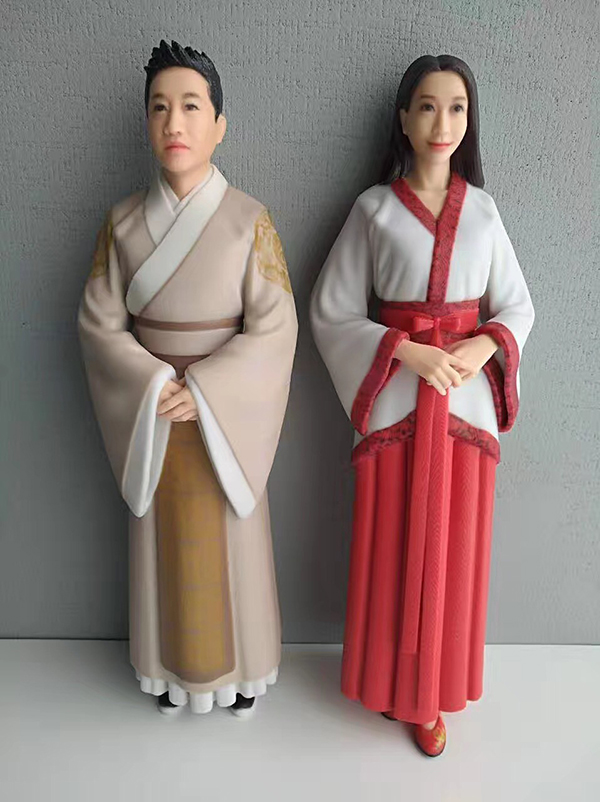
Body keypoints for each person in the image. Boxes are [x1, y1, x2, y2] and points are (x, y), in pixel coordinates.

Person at [310, 54, 534, 756]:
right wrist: (405, 351)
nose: (443, 123)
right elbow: (331, 309)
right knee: (389, 545)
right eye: (428, 106)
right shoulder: (374, 209)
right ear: (404, 118)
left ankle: (432, 692)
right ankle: (387, 682)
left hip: (463, 409)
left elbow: (518, 306)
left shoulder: (485, 211)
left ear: (471, 120)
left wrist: (485, 344)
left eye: (457, 108)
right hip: (396, 405)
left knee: (454, 550)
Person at [79, 40, 297, 717]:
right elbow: (98, 326)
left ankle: (241, 673)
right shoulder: (121, 224)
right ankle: (166, 671)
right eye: (159, 108)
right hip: (152, 409)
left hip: (223, 414)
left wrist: (205, 392)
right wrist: (151, 384)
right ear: (146, 121)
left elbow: (276, 327)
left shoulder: (249, 220)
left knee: (230, 532)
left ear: (219, 124)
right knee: (164, 543)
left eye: (192, 107)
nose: (174, 123)